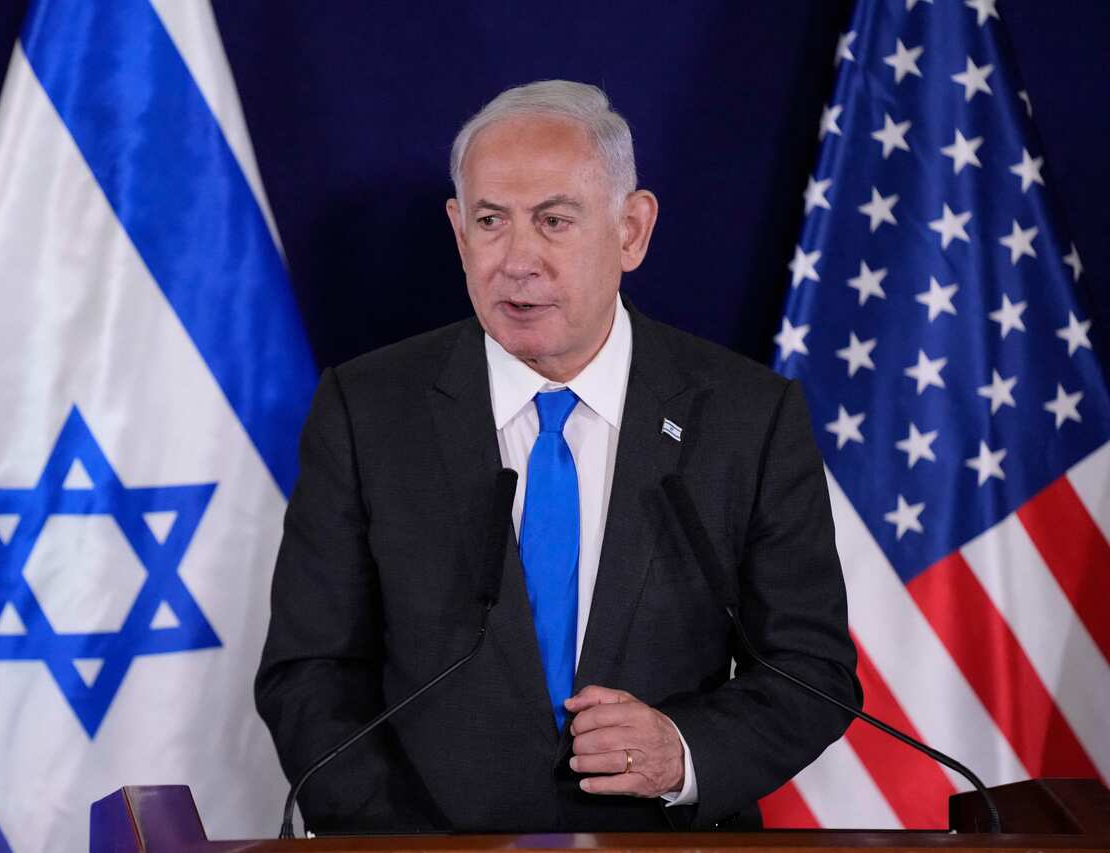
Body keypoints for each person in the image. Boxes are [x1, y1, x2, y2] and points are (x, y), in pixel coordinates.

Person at [255, 80, 859, 834]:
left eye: (553, 220)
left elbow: (811, 670)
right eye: (490, 222)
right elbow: (309, 672)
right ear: (458, 232)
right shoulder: (367, 410)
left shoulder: (747, 417)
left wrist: (683, 751)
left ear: (632, 230)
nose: (517, 260)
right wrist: (399, 844)